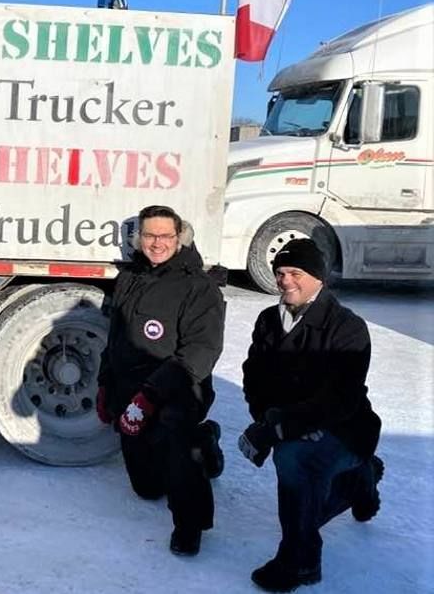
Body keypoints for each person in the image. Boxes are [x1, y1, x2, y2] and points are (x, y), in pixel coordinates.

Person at [239, 238, 383, 592]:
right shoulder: (268, 320)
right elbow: (253, 376)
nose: (286, 280)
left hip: (345, 428)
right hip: (290, 423)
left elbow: (341, 398)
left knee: (294, 462)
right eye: (281, 272)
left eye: (296, 273)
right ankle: (359, 482)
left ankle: (300, 561)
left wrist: (279, 428)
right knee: (302, 493)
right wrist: (266, 418)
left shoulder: (347, 327)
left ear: (318, 277)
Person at [96, 204, 225, 556]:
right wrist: (105, 383)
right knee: (148, 488)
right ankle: (206, 437)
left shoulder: (199, 287)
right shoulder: (128, 279)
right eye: (149, 235)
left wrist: (150, 396)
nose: (157, 243)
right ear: (139, 238)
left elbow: (202, 351)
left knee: (176, 438)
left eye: (165, 235)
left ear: (179, 238)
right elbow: (115, 340)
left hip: (178, 388)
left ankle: (191, 524)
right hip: (130, 390)